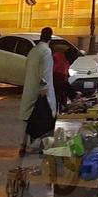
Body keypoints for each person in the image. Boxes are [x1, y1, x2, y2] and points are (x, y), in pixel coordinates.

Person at [19, 27, 57, 156]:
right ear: (50, 38)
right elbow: (45, 73)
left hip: (30, 88)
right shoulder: (46, 51)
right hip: (40, 91)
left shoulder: (34, 50)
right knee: (45, 119)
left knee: (29, 119)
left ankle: (23, 144)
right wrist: (44, 90)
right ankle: (43, 146)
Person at [51, 40, 72, 106]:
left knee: (58, 97)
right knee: (60, 96)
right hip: (59, 78)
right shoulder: (61, 58)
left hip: (58, 78)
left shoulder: (55, 57)